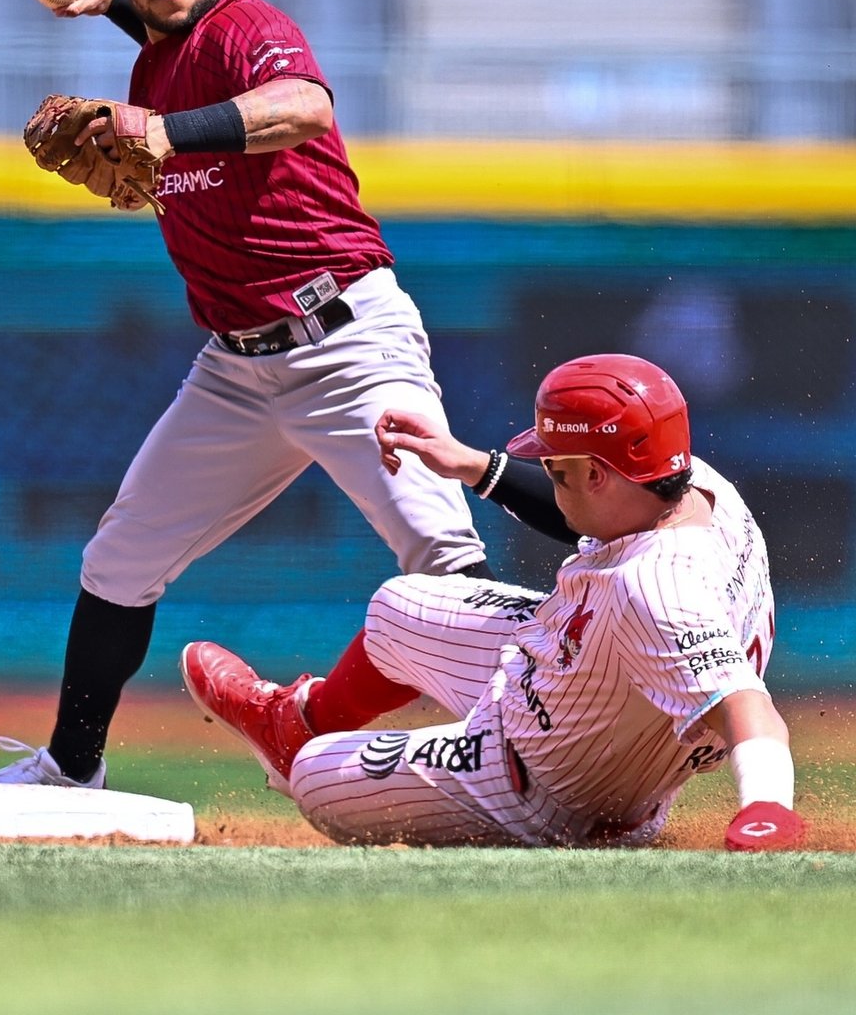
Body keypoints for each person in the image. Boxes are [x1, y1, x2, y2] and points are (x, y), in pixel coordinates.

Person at [0, 0, 492, 788]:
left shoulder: (252, 25)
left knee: (443, 556)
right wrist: (112, 12)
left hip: (345, 341)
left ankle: (537, 754)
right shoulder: (159, 54)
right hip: (234, 368)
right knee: (120, 557)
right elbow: (171, 38)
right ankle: (70, 769)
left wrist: (172, 136)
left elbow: (304, 106)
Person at [180, 353, 806, 851]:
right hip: (590, 687)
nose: (555, 482)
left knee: (317, 774)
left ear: (597, 475)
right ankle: (292, 722)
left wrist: (767, 808)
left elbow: (747, 705)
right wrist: (475, 465)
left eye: (560, 471)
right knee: (398, 606)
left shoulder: (658, 590)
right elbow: (597, 512)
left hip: (543, 785)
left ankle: (367, 762)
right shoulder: (695, 485)